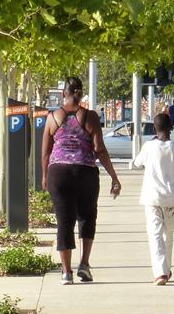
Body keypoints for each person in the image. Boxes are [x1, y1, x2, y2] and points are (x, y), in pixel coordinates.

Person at [42, 77, 121, 285]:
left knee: (64, 220)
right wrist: (113, 176)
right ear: (80, 92)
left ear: (63, 93)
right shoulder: (90, 116)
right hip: (85, 172)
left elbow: (45, 152)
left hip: (58, 173)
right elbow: (99, 149)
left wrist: (44, 176)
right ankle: (84, 265)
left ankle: (66, 272)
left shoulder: (52, 118)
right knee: (87, 217)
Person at [133, 113, 174, 285]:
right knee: (168, 236)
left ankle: (161, 273)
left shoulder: (149, 146)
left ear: (154, 128)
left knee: (155, 235)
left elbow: (137, 163)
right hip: (171, 199)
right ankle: (165, 270)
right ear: (171, 128)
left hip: (152, 198)